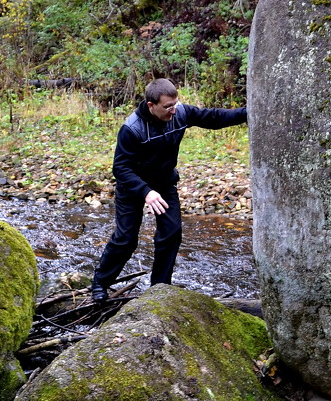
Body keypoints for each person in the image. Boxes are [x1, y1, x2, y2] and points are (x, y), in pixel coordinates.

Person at [91, 78, 247, 301]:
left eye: (175, 104)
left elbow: (214, 118)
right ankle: (100, 282)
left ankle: (159, 287)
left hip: (164, 184)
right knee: (126, 239)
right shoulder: (132, 129)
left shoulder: (181, 113)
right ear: (150, 105)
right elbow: (120, 168)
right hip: (132, 187)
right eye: (167, 107)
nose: (173, 110)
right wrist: (145, 191)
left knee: (171, 234)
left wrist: (248, 112)